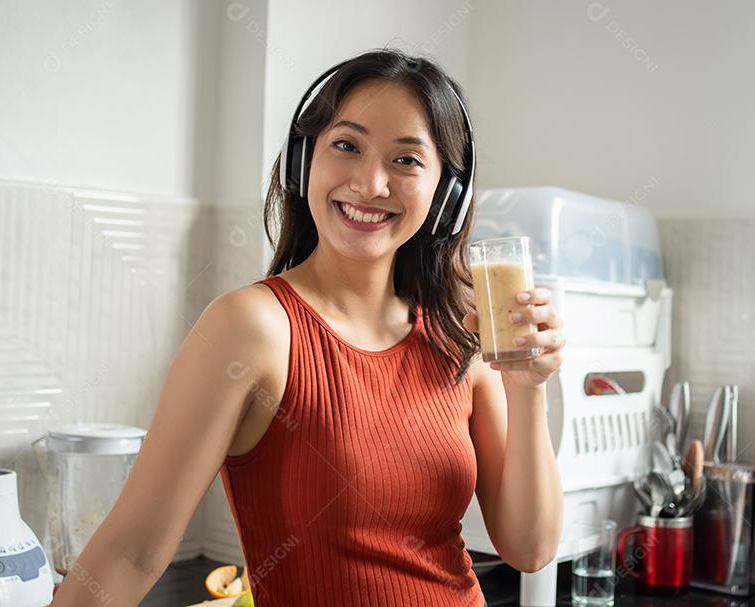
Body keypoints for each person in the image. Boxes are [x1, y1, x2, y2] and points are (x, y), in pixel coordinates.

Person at [50, 49, 565, 606]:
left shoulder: (457, 337)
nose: (370, 183)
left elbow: (530, 548)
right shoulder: (250, 328)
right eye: (346, 146)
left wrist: (527, 387)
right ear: (303, 161)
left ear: (446, 194)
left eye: (406, 160)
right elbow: (130, 552)